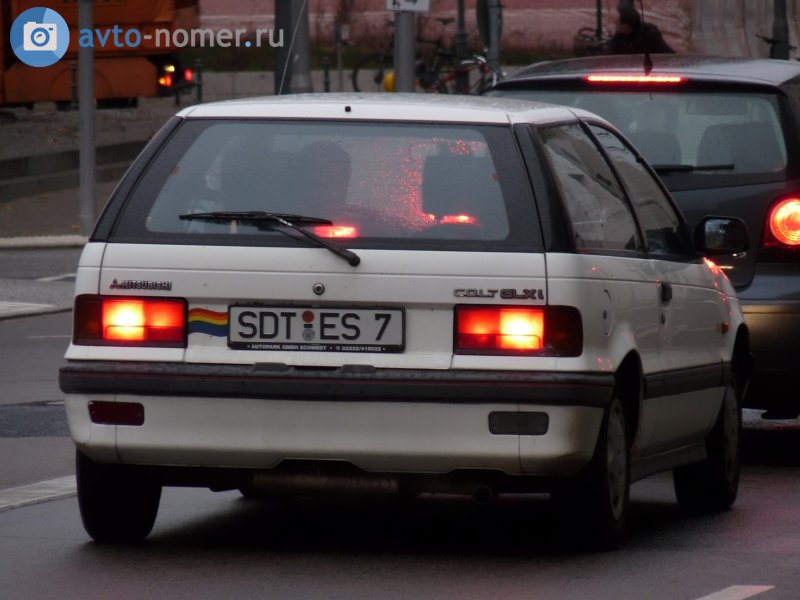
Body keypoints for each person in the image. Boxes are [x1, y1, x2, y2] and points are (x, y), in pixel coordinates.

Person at [604, 6, 675, 55]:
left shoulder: (650, 35)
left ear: (626, 25)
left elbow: (667, 54)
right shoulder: (619, 37)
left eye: (616, 23)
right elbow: (609, 56)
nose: (614, 26)